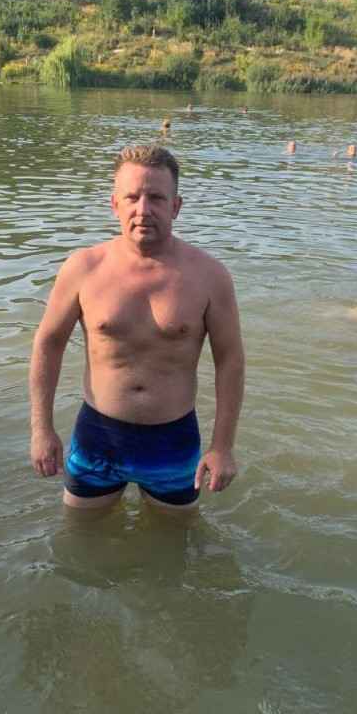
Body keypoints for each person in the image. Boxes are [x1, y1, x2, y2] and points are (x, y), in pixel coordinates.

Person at [29, 145, 245, 510]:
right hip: (98, 435)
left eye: (156, 198)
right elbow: (48, 344)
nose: (143, 210)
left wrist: (222, 446)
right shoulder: (84, 268)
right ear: (115, 204)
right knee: (80, 537)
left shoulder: (210, 276)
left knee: (175, 539)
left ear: (176, 206)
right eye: (132, 197)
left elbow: (230, 360)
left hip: (173, 440)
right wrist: (42, 430)